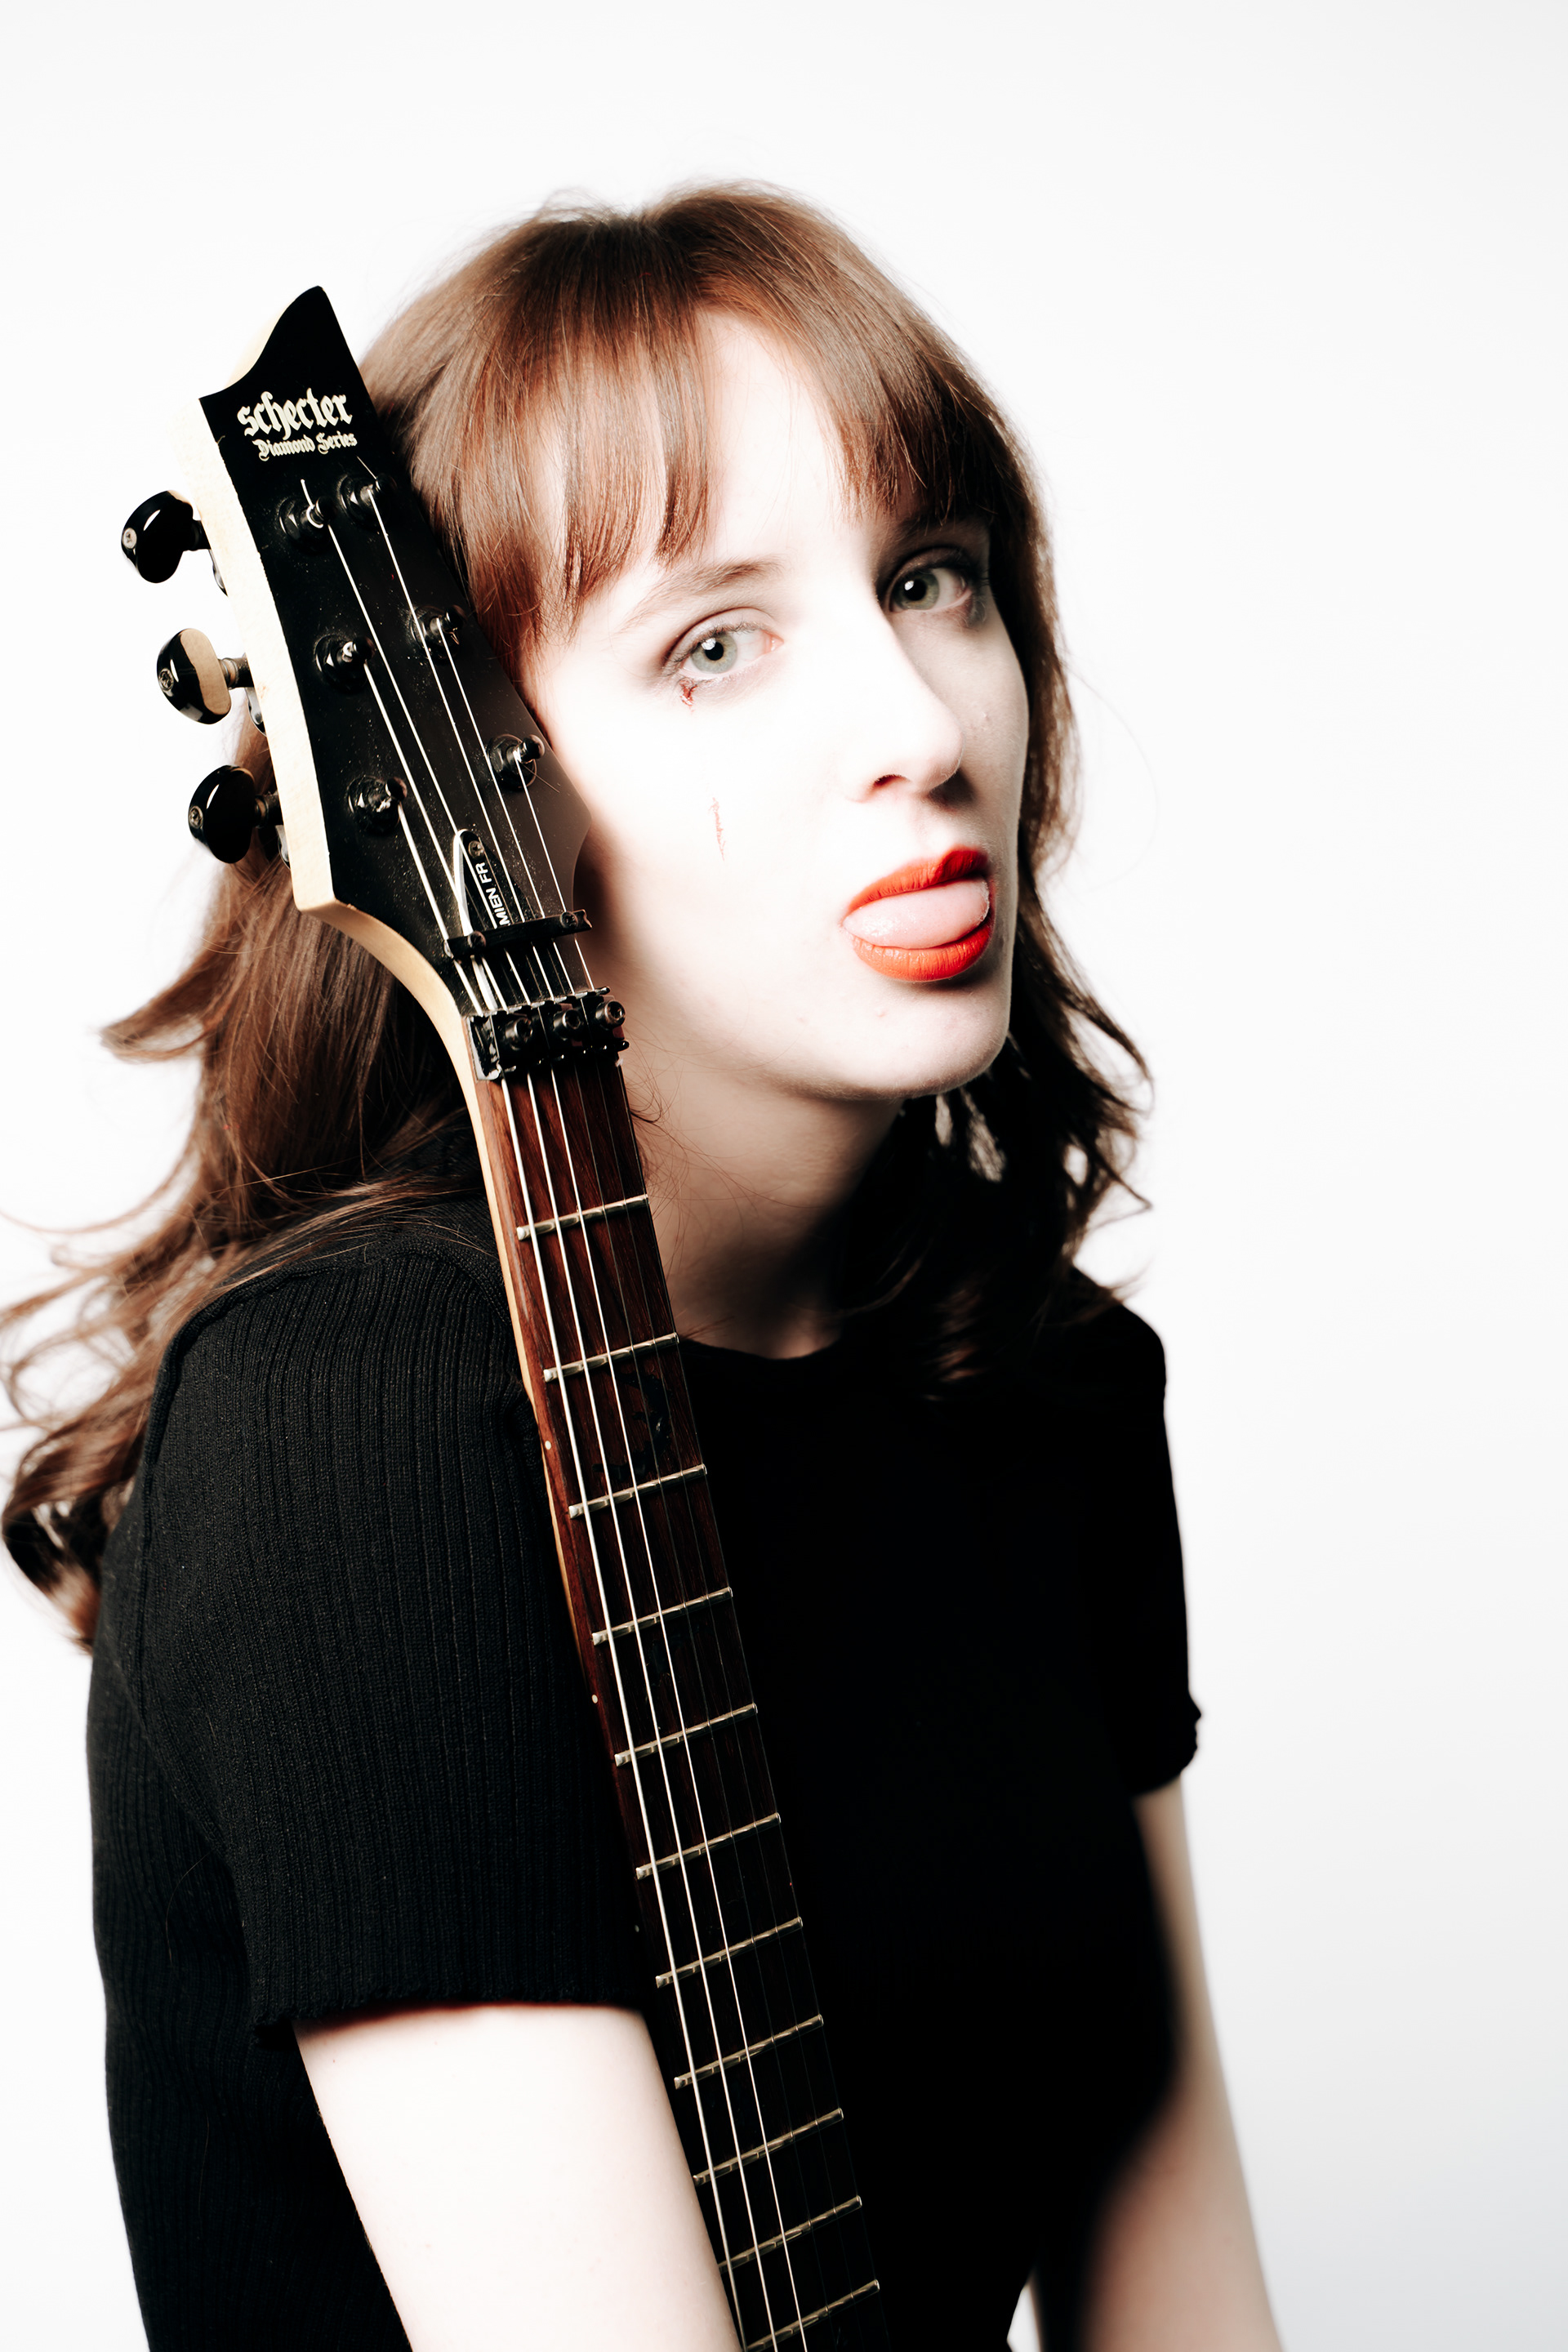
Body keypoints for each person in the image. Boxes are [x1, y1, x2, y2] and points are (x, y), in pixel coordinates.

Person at [3, 188, 1281, 2350]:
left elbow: (1188, 2306)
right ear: (475, 784)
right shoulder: (354, 1421)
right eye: (714, 643)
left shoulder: (1045, 1385)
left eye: (931, 577)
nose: (918, 725)